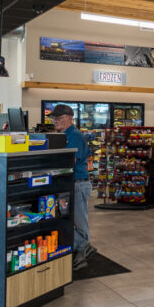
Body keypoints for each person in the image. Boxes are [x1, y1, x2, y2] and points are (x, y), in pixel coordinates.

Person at [50, 104, 95, 270]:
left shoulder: (74, 135)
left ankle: (83, 248)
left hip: (78, 184)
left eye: (59, 118)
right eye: (54, 118)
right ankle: (83, 247)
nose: (56, 121)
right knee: (65, 219)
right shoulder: (60, 135)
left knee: (79, 221)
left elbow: (71, 160)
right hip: (69, 183)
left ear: (70, 118)